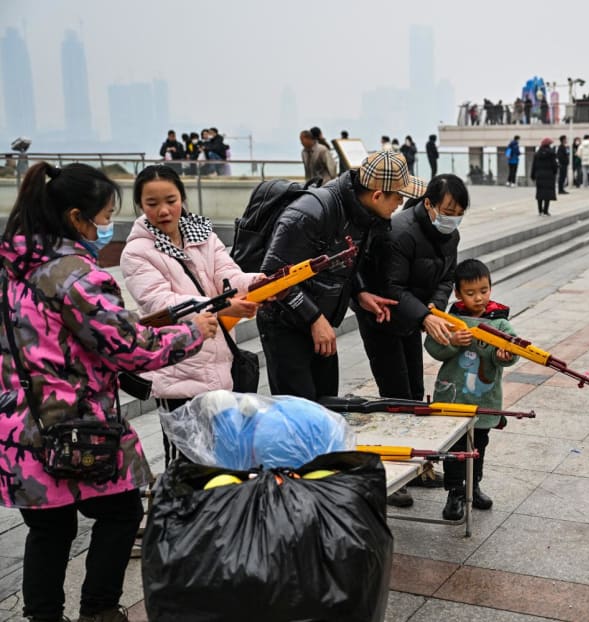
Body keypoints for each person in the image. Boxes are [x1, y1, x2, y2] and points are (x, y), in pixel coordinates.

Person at [0, 162, 218, 622]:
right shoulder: (76, 275)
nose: (105, 228)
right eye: (103, 218)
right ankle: (99, 610)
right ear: (76, 217)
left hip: (21, 427)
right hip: (77, 427)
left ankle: (43, 617)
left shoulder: (12, 270)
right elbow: (130, 349)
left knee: (48, 530)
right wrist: (193, 331)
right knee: (120, 515)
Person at [256, 151, 426, 402]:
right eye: (399, 196)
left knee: (326, 408)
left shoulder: (363, 211)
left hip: (320, 321)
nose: (401, 203)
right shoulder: (312, 210)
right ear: (378, 195)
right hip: (285, 324)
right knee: (299, 413)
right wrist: (314, 318)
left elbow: (342, 259)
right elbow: (272, 277)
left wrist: (359, 292)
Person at [120, 164, 262, 465]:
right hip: (178, 373)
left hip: (219, 367)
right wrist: (223, 306)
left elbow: (228, 274)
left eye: (171, 200)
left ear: (182, 198)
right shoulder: (136, 253)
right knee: (188, 464)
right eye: (152, 203)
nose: (164, 210)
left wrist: (257, 283)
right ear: (140, 206)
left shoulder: (203, 235)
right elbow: (163, 302)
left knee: (224, 460)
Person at [354, 174, 468, 506]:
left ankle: (417, 468)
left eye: (459, 211)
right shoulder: (399, 232)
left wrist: (434, 307)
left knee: (415, 394)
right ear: (428, 204)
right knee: (395, 397)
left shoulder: (451, 235)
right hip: (383, 318)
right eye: (448, 210)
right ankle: (390, 476)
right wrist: (424, 316)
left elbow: (447, 277)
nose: (453, 218)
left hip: (413, 317)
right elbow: (391, 288)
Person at [424, 259, 517, 521]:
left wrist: (504, 355)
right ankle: (455, 492)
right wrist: (452, 341)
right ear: (457, 293)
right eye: (471, 292)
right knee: (455, 447)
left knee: (479, 445)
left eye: (484, 291)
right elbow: (434, 348)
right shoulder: (450, 319)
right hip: (453, 397)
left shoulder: (500, 323)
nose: (479, 298)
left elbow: (510, 355)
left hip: (484, 398)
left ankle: (473, 486)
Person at [530, 137, 558, 215]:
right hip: (549, 175)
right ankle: (546, 211)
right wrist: (555, 172)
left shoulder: (537, 154)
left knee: (540, 193)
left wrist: (532, 176)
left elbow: (534, 166)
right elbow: (554, 165)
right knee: (547, 194)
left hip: (539, 175)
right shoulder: (552, 154)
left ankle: (540, 211)